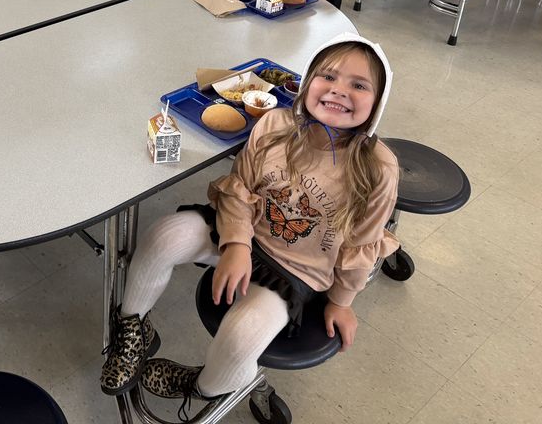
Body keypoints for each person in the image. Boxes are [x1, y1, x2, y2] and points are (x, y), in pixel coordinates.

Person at [100, 34, 400, 419]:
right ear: (308, 83)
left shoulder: (377, 168)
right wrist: (237, 245)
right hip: (246, 232)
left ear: (377, 104)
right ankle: (133, 330)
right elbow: (239, 191)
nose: (339, 91)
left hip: (297, 272)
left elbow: (363, 243)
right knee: (165, 235)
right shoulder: (275, 124)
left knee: (241, 337)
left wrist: (342, 302)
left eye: (358, 85)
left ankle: (204, 385)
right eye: (328, 77)